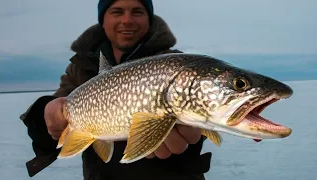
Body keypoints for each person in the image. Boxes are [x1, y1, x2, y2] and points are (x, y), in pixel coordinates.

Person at [20, 0, 212, 179]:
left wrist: (191, 146)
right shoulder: (80, 68)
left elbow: (202, 125)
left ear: (149, 19)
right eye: (117, 12)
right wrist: (45, 114)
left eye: (137, 12)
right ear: (103, 20)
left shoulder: (176, 65)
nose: (127, 20)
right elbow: (50, 132)